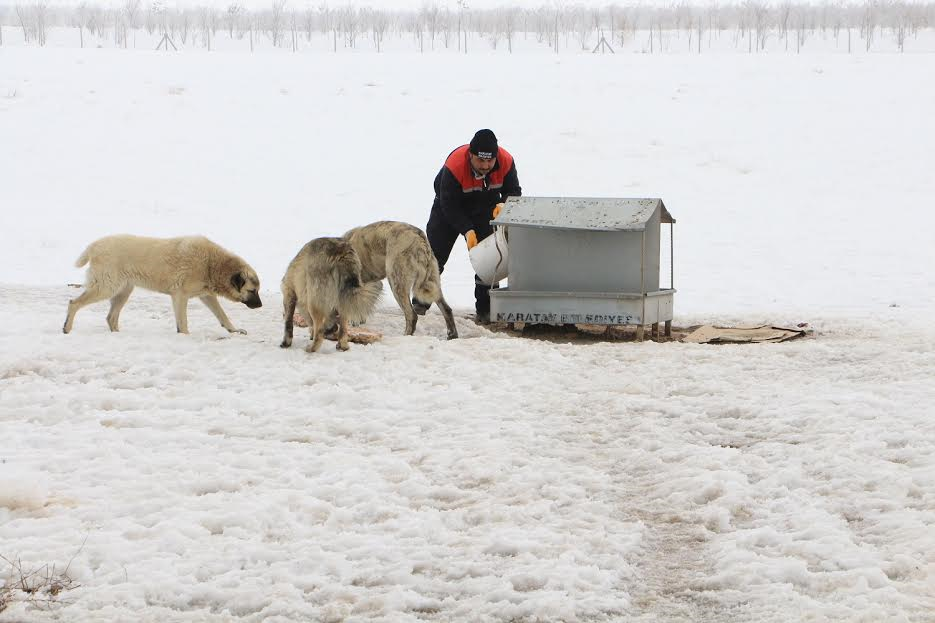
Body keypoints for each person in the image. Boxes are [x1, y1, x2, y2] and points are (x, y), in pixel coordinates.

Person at [425, 129, 521, 323]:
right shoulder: (455, 165)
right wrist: (467, 230)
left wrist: (504, 204)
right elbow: (448, 204)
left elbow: (514, 192)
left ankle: (486, 311)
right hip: (448, 208)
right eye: (480, 160)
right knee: (434, 258)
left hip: (485, 208)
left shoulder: (506, 161)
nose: (485, 166)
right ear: (470, 155)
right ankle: (420, 304)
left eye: (490, 161)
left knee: (491, 260)